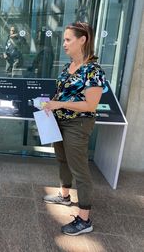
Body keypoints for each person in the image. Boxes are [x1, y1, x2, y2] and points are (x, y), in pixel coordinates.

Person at [42, 21, 105, 236]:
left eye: (68, 39)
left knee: (80, 169)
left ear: (83, 40)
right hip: (59, 121)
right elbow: (63, 94)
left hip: (78, 124)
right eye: (64, 40)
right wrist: (50, 103)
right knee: (62, 159)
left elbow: (90, 105)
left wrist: (60, 104)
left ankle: (84, 219)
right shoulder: (68, 66)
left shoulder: (93, 70)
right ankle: (64, 195)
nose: (64, 44)